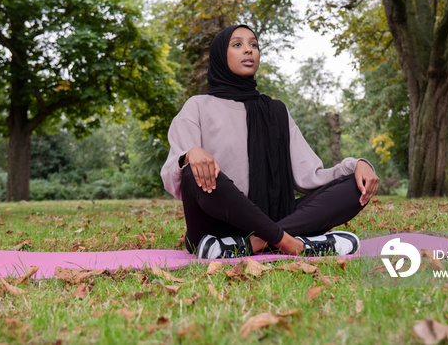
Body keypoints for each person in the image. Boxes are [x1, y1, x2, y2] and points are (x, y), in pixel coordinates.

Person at [160, 24, 379, 259]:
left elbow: (310, 177)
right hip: (215, 227)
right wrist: (190, 154)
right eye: (237, 44)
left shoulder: (276, 111)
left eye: (253, 44)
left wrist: (357, 166)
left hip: (275, 218)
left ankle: (254, 244)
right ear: (220, 56)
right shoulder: (197, 106)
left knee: (356, 187)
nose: (248, 50)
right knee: (195, 173)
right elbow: (173, 173)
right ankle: (294, 244)